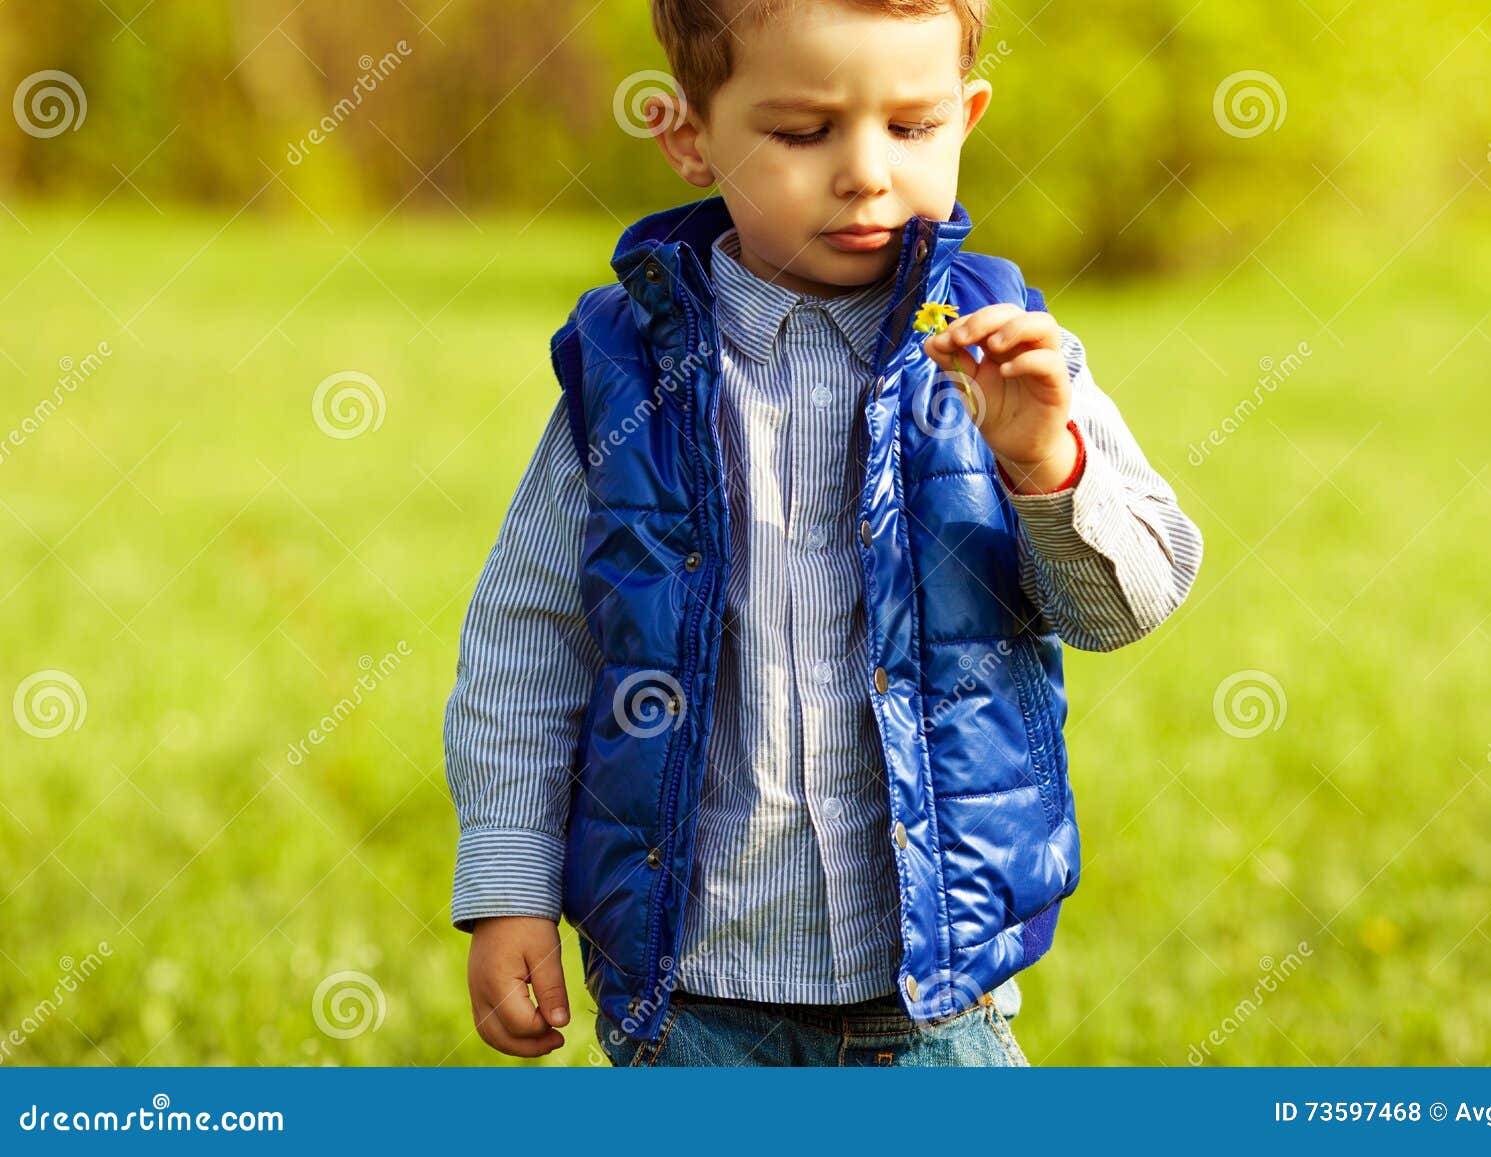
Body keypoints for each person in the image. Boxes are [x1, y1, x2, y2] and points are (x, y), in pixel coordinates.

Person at [443, 0, 1203, 1067]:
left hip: (936, 1008)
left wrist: (1042, 464)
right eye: (803, 133)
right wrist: (510, 882)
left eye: (912, 127)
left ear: (966, 116)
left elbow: (1125, 607)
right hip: (691, 996)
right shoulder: (628, 381)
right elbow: (530, 638)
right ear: (688, 137)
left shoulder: (1010, 359)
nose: (864, 173)